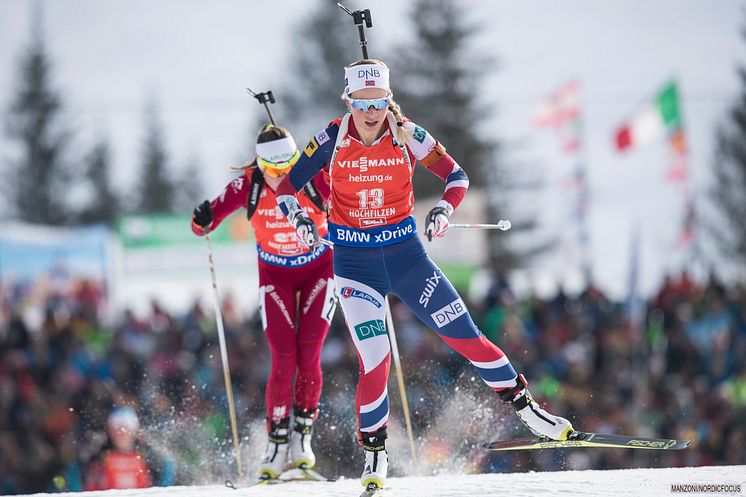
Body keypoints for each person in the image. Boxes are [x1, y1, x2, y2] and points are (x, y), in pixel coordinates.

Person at [274, 59, 573, 490]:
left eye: (378, 101)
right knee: (375, 359)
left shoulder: (408, 134)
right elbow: (287, 186)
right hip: (355, 267)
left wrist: (443, 209)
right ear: (349, 100)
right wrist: (300, 220)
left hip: (407, 258)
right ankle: (375, 456)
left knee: (468, 338)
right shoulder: (331, 138)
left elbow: (457, 175)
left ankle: (530, 412)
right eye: (362, 102)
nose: (371, 111)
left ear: (388, 100)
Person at [191, 124, 335, 479]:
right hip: (275, 277)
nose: (282, 176)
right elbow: (203, 223)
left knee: (309, 353)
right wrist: (202, 219)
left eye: (288, 166)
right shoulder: (248, 185)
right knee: (284, 359)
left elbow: (353, 195)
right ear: (259, 165)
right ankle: (275, 445)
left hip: (320, 271)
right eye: (272, 169)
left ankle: (302, 438)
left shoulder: (316, 178)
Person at [83, 407, 160, 490]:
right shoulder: (99, 457)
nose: (121, 434)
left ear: (134, 431)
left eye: (126, 429)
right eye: (117, 429)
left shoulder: (147, 456)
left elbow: (162, 482)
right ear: (110, 431)